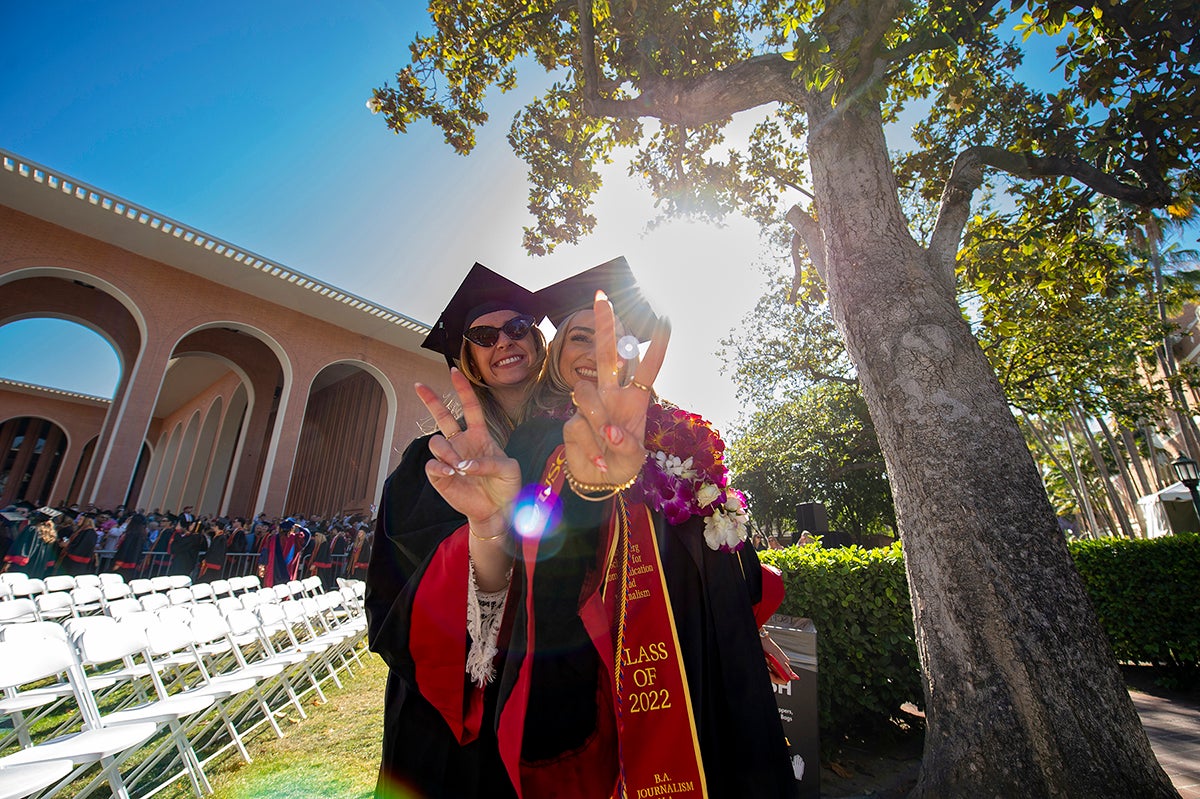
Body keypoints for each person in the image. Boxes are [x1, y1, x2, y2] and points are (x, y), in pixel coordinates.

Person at [367, 263, 548, 798]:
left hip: (552, 687)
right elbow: (395, 582)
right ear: (467, 356)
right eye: (484, 336)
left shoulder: (572, 445)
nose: (504, 342)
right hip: (446, 706)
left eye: (517, 328)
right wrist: (484, 528)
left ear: (537, 341)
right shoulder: (432, 460)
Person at [2, 508, 60, 578]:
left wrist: (9, 562)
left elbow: (22, 548)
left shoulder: (32, 529)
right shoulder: (51, 533)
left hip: (25, 566)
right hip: (39, 566)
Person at [112, 513, 149, 579]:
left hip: (125, 562)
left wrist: (118, 562)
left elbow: (125, 548)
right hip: (133, 562)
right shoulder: (142, 534)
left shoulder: (131, 534)